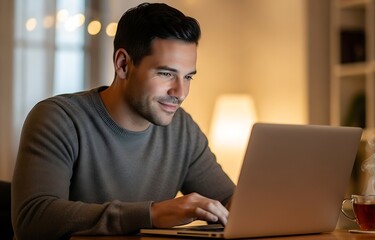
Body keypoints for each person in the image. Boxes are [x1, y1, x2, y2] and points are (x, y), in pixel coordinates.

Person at [11, 2, 235, 240]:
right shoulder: (58, 119)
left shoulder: (183, 129)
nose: (180, 92)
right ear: (123, 64)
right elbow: (33, 220)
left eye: (188, 76)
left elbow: (230, 204)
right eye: (166, 73)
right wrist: (151, 214)